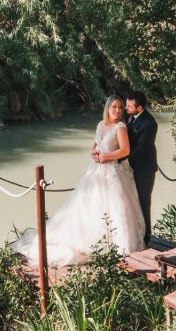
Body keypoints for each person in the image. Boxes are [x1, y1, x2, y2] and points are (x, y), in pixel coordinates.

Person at [15, 95, 145, 267]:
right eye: (114, 106)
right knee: (88, 204)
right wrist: (93, 152)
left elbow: (125, 150)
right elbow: (96, 144)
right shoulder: (101, 124)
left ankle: (113, 244)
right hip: (96, 170)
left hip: (112, 171)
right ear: (107, 108)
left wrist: (105, 156)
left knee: (113, 206)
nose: (117, 110)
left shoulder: (120, 127)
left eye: (120, 107)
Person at [124, 91, 158, 246]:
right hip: (127, 168)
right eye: (126, 105)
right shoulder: (127, 116)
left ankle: (146, 238)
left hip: (144, 170)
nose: (125, 108)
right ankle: (132, 235)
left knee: (143, 202)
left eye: (129, 106)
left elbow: (141, 149)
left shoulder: (150, 124)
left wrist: (118, 157)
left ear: (139, 108)